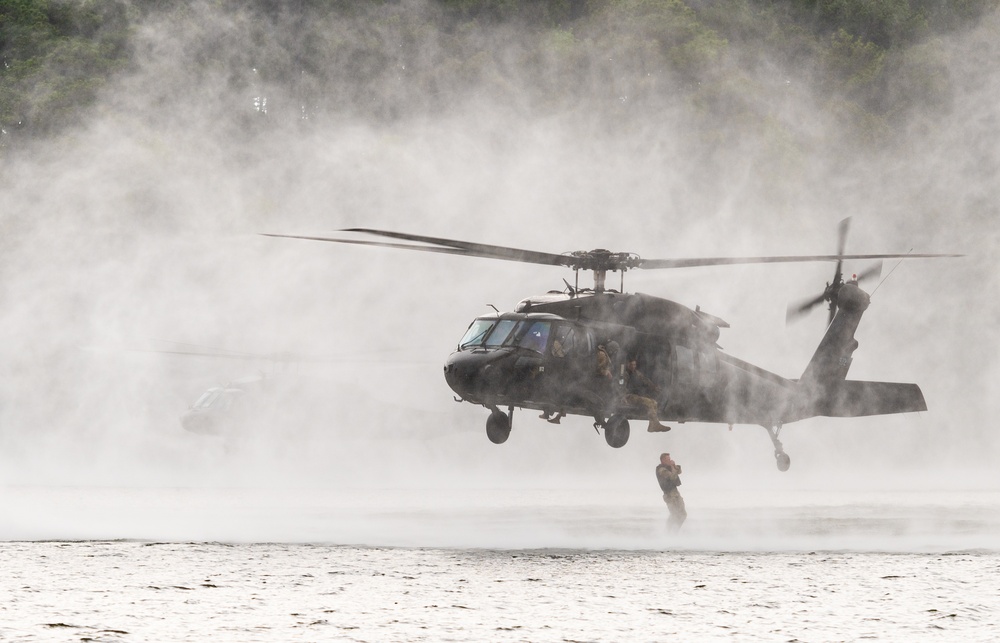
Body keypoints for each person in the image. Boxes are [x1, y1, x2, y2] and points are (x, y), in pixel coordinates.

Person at [625, 357, 670, 432]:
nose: (633, 366)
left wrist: (654, 387)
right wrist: (623, 397)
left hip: (635, 395)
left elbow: (645, 380)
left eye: (634, 365)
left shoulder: (636, 373)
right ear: (628, 364)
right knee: (649, 403)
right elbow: (621, 386)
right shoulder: (625, 374)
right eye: (631, 365)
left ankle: (653, 424)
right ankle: (654, 425)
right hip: (628, 396)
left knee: (654, 402)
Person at [655, 452, 686, 532]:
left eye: (670, 459)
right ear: (662, 460)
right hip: (669, 495)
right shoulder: (661, 469)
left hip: (675, 493)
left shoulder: (668, 467)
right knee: (674, 514)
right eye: (667, 459)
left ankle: (674, 531)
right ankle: (668, 531)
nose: (670, 460)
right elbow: (672, 476)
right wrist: (672, 467)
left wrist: (674, 466)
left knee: (683, 514)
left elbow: (679, 471)